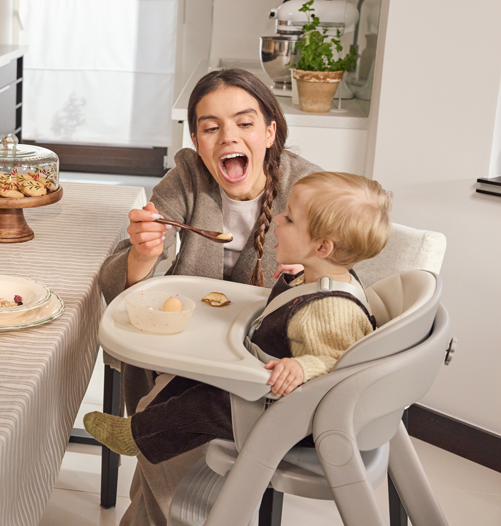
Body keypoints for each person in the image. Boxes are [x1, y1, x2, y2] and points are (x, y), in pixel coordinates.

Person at [97, 67, 322, 526]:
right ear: (197, 140)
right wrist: (144, 254)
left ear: (270, 131)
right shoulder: (187, 178)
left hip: (270, 369)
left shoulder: (310, 191)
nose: (228, 138)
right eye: (210, 127)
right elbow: (118, 284)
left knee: (162, 416)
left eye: (244, 123)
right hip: (188, 355)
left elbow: (342, 282)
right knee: (166, 402)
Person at [84, 172, 392, 462]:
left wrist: (303, 366)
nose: (277, 219)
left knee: (207, 403)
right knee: (194, 375)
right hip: (269, 385)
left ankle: (137, 435)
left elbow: (345, 365)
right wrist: (302, 276)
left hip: (293, 417)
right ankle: (145, 420)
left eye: (289, 219)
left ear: (322, 247)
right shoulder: (323, 278)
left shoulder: (332, 309)